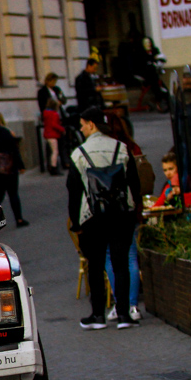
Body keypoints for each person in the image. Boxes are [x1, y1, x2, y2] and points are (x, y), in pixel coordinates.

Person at [67, 106, 142, 331]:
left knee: (95, 265)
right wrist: (135, 211)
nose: (81, 129)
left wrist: (76, 223)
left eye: (82, 125)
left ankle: (98, 315)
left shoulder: (79, 154)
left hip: (92, 216)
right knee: (121, 263)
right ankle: (124, 314)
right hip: (121, 213)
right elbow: (134, 183)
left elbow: (74, 190)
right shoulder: (121, 148)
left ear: (91, 124)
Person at [0, 111, 29, 227]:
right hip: (9, 168)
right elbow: (14, 149)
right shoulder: (6, 132)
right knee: (13, 194)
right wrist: (21, 165)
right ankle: (19, 219)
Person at [42, 98, 65, 175]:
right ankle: (53, 167)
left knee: (52, 151)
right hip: (53, 134)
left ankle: (51, 166)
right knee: (55, 151)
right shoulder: (54, 114)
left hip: (47, 134)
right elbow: (54, 124)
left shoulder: (45, 113)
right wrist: (62, 129)